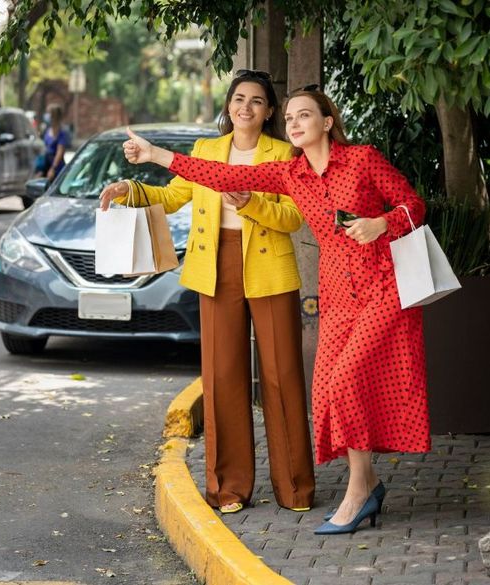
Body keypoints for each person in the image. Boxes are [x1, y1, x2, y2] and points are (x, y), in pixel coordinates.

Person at [120, 86, 431, 535]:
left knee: (342, 381)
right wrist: (155, 155)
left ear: (326, 123)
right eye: (290, 119)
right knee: (328, 391)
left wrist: (383, 222)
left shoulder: (362, 158)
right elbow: (215, 174)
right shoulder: (291, 174)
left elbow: (414, 205)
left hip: (382, 282)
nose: (295, 124)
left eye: (304, 116)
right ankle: (367, 484)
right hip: (337, 292)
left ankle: (358, 492)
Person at [99, 70, 315, 514]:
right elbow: (174, 196)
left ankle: (296, 488)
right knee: (222, 378)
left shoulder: (287, 153)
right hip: (214, 266)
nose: (246, 107)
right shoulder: (205, 151)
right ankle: (228, 488)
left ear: (270, 111)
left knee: (282, 376)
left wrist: (250, 202)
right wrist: (129, 191)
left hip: (269, 266)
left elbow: (294, 217)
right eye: (239, 98)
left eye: (257, 101)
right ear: (228, 105)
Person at [36, 104, 68, 181]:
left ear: (54, 116)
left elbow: (59, 153)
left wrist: (53, 169)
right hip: (46, 166)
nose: (46, 116)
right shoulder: (47, 131)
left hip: (56, 169)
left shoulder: (61, 134)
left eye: (48, 113)